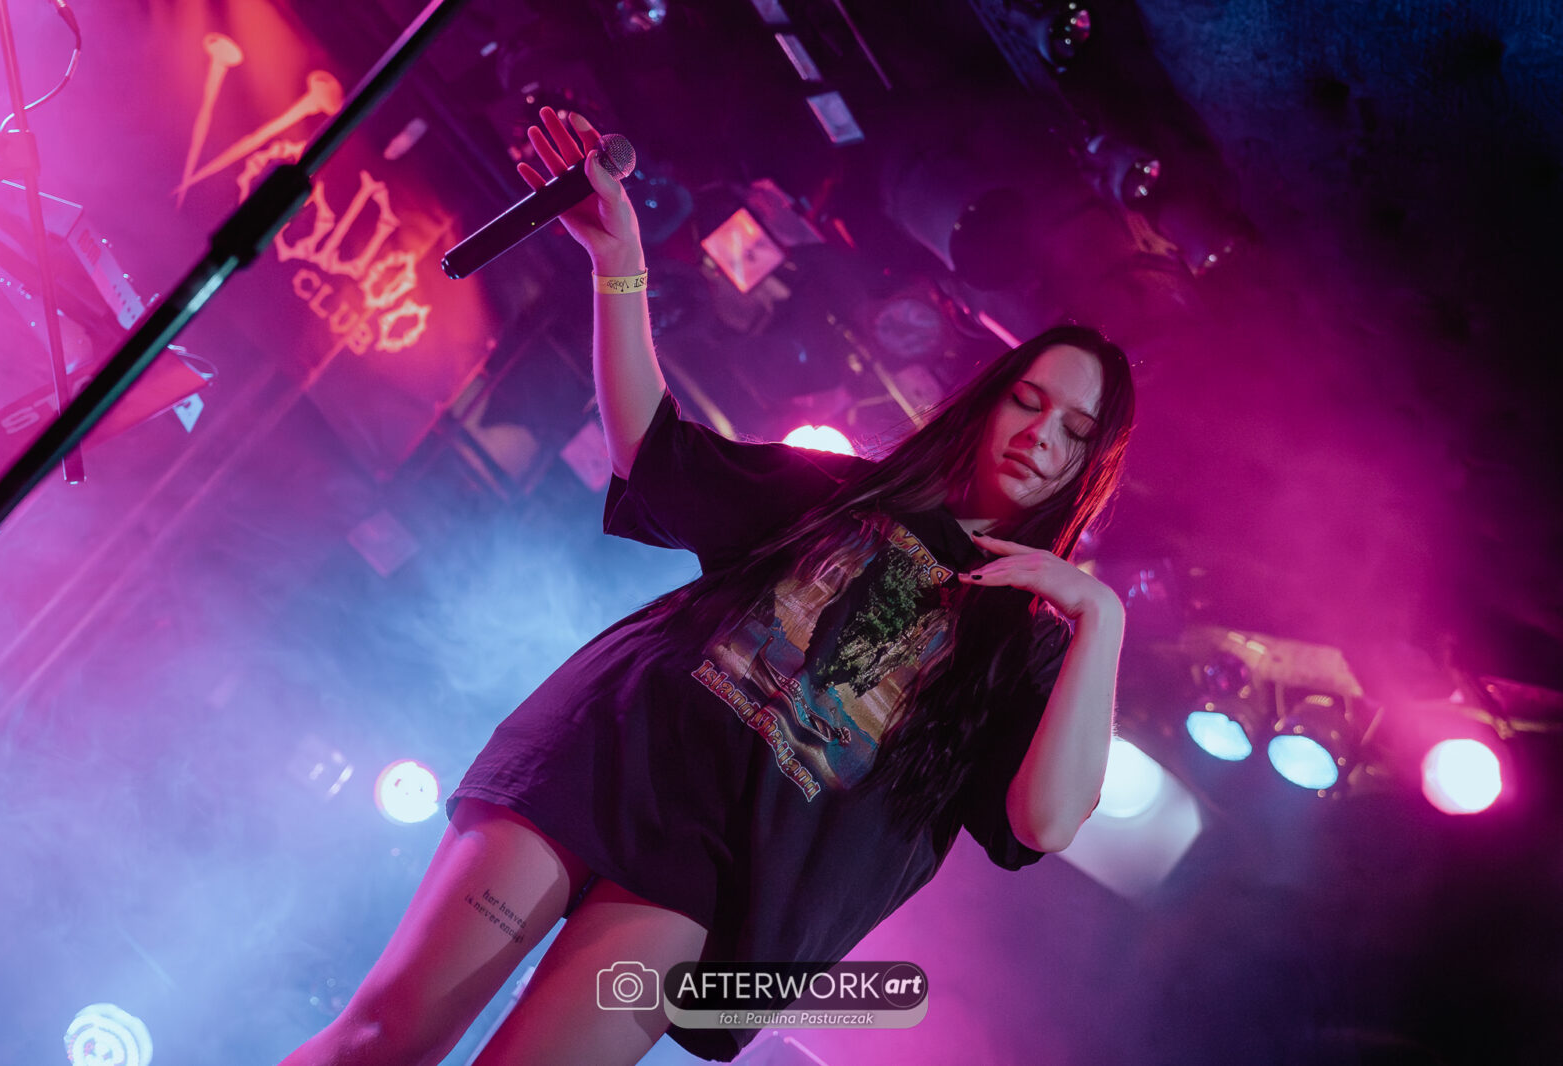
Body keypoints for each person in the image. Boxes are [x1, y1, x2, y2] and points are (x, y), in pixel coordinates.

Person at [280, 106, 1134, 1066]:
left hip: (712, 879)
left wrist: (1101, 618)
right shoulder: (848, 494)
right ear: (989, 401)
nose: (1041, 435)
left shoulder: (1027, 638)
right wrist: (619, 262)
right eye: (1029, 401)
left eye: (1074, 432)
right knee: (380, 1040)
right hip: (602, 758)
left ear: (1088, 468)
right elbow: (651, 450)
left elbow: (1042, 823)